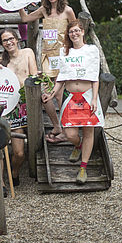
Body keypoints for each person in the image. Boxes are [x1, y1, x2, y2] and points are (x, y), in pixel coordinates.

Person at [42, 19, 104, 184]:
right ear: (68, 35)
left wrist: (94, 99)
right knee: (70, 134)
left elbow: (95, 77)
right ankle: (78, 145)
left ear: (83, 32)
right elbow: (61, 78)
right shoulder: (65, 51)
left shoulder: (91, 50)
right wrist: (52, 93)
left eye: (77, 30)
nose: (74, 34)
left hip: (87, 95)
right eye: (71, 32)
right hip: (71, 97)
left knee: (89, 132)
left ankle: (83, 168)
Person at [19, 0, 76, 142]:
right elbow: (25, 18)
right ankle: (56, 125)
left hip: (62, 57)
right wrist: (18, 3)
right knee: (45, 94)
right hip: (47, 57)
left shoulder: (67, 11)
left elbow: (75, 31)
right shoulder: (44, 10)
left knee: (59, 94)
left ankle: (66, 130)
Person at [0, 28, 37, 190]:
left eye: (11, 38)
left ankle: (15, 172)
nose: (9, 42)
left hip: (29, 103)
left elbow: (33, 75)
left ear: (17, 39)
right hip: (12, 107)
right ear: (1, 44)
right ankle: (8, 177)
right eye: (5, 40)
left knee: (28, 149)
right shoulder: (0, 62)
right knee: (18, 152)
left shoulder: (27, 53)